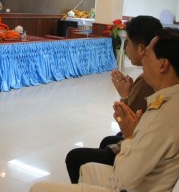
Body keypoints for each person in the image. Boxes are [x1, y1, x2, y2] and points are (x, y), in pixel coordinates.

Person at [29, 28, 179, 192]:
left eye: (147, 54)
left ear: (163, 65)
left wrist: (129, 136)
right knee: (87, 169)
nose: (143, 59)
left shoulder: (163, 116)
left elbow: (123, 177)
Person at [65, 15, 163, 183]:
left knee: (74, 157)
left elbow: (124, 121)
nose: (126, 49)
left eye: (128, 44)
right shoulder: (155, 80)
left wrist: (125, 95)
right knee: (108, 140)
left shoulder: (148, 80)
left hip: (139, 154)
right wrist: (130, 93)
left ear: (141, 48)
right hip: (145, 144)